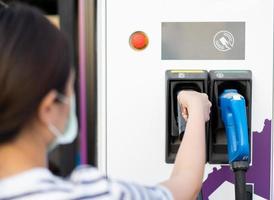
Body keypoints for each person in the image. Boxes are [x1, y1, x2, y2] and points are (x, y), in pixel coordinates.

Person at [0, 2, 211, 200]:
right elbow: (184, 186)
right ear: (49, 108)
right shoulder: (92, 193)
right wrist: (195, 108)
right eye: (70, 87)